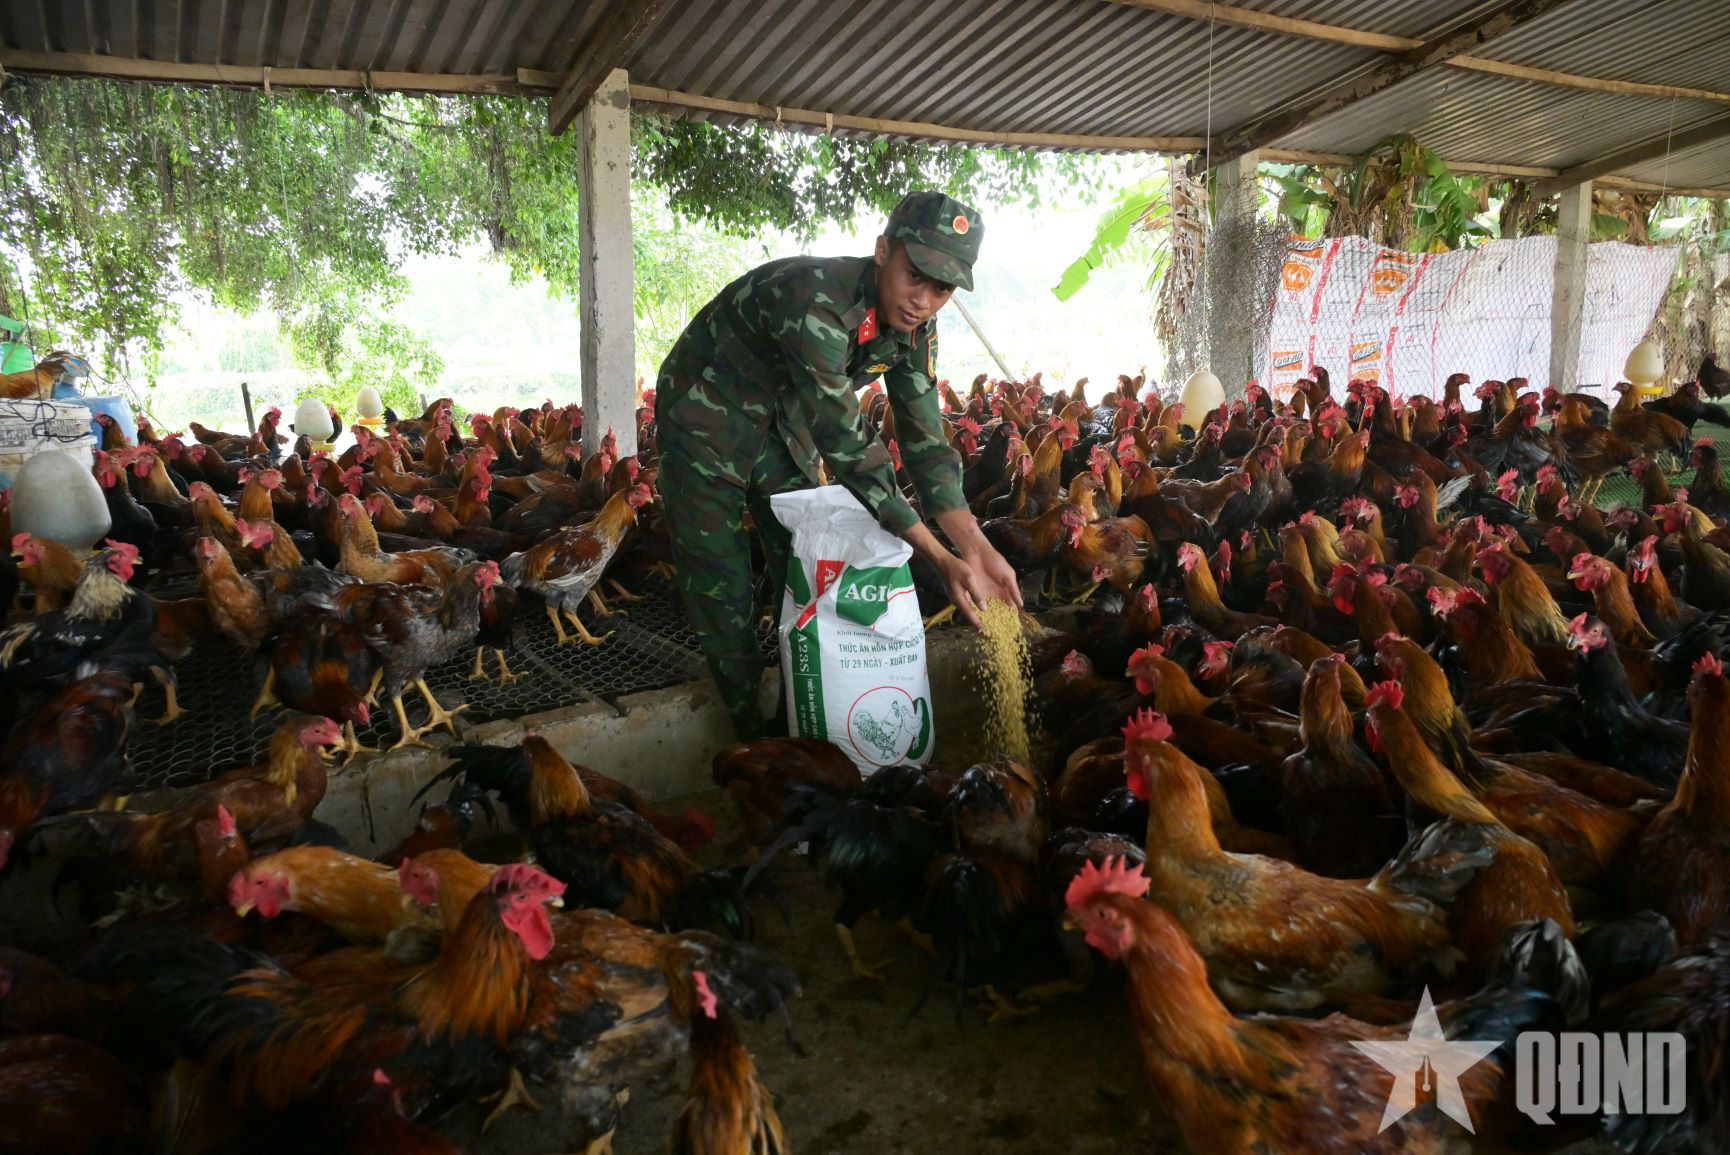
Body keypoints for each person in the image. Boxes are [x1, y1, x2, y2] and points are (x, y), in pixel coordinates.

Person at [653, 190, 1022, 740]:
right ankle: (757, 740)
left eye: (942, 287)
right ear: (882, 251)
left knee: (808, 564)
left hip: (782, 421)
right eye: (914, 274)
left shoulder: (916, 327)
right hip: (707, 413)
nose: (923, 299)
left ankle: (806, 714)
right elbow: (847, 444)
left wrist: (975, 545)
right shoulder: (817, 302)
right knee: (721, 583)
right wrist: (938, 559)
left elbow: (924, 438)